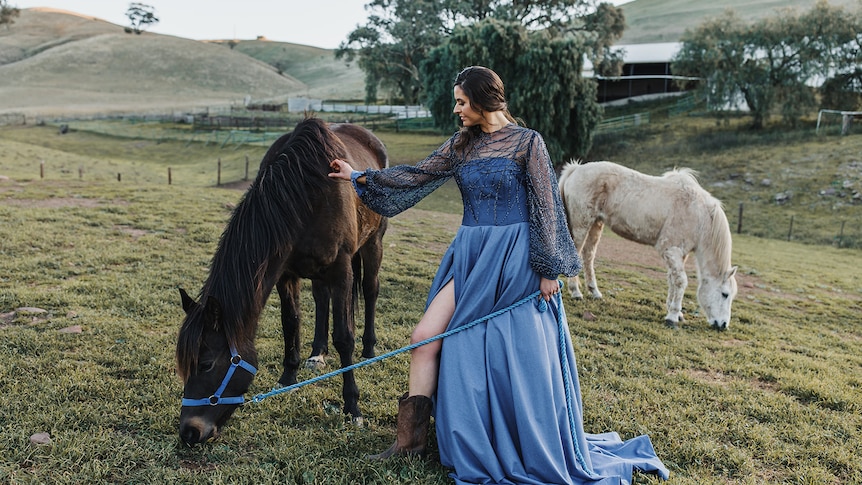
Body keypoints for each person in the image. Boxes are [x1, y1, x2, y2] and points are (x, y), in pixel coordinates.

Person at [329, 66, 669, 484]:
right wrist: (359, 176)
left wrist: (548, 269)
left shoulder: (528, 143)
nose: (456, 109)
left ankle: (509, 436)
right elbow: (417, 175)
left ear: (484, 100)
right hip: (471, 254)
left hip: (517, 258)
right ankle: (409, 442)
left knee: (508, 356)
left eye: (461, 102)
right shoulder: (461, 145)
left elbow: (545, 207)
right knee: (424, 336)